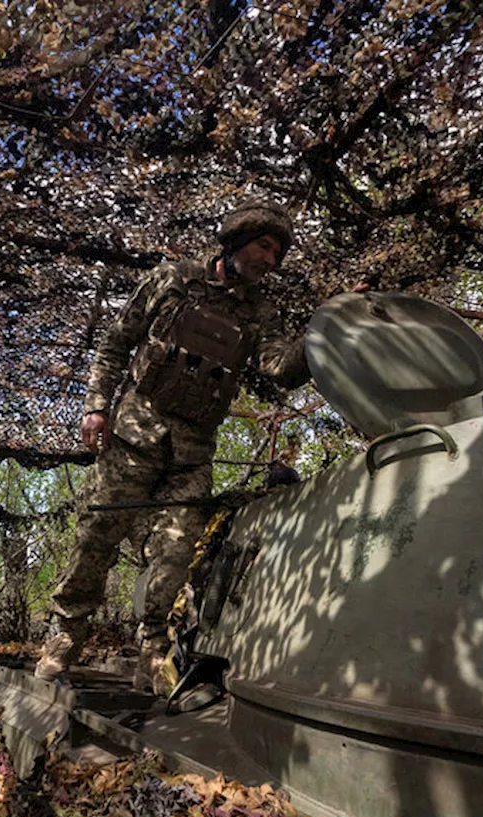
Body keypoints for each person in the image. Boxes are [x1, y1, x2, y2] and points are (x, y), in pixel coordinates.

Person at [34, 199, 311, 693]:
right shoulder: (174, 280)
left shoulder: (261, 312)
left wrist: (324, 334)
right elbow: (116, 343)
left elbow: (279, 370)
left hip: (192, 452)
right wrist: (96, 405)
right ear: (236, 241)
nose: (271, 260)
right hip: (133, 437)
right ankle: (64, 638)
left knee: (175, 554)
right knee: (96, 539)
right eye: (264, 247)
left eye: (278, 253)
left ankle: (154, 654)